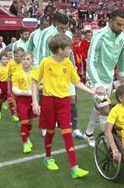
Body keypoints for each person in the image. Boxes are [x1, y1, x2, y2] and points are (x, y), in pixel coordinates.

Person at [31, 33, 94, 178]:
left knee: (67, 132)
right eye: (68, 48)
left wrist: (92, 92)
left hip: (64, 102)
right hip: (49, 101)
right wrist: (35, 101)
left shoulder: (68, 63)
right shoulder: (46, 62)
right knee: (50, 131)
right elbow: (34, 80)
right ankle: (47, 158)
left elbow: (76, 82)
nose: (71, 51)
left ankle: (74, 168)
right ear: (60, 50)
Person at [84, 9, 124, 147]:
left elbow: (121, 56)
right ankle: (110, 145)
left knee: (99, 108)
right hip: (95, 77)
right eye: (118, 24)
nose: (121, 28)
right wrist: (97, 84)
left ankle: (88, 133)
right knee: (105, 110)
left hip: (108, 78)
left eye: (123, 25)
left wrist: (121, 75)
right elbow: (90, 61)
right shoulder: (99, 36)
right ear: (110, 21)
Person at [38, 11, 83, 139]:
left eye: (66, 28)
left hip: (66, 69)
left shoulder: (68, 34)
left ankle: (74, 128)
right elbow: (41, 53)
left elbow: (71, 52)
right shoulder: (46, 33)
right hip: (51, 71)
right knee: (49, 100)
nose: (64, 30)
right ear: (56, 23)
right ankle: (45, 127)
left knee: (72, 99)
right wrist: (42, 75)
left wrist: (74, 66)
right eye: (61, 28)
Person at [12, 52, 35, 153]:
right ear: (21, 61)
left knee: (30, 122)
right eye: (24, 59)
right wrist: (28, 92)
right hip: (22, 101)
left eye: (28, 59)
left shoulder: (35, 72)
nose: (25, 61)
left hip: (33, 100)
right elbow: (15, 90)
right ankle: (25, 143)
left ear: (32, 61)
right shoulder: (17, 73)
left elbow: (40, 85)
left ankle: (27, 137)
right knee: (24, 121)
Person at [0, 52, 19, 121]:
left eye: (6, 59)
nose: (5, 61)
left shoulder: (10, 65)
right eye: (3, 59)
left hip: (8, 85)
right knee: (0, 101)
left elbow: (14, 60)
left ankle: (13, 115)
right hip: (1, 85)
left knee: (10, 100)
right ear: (0, 61)